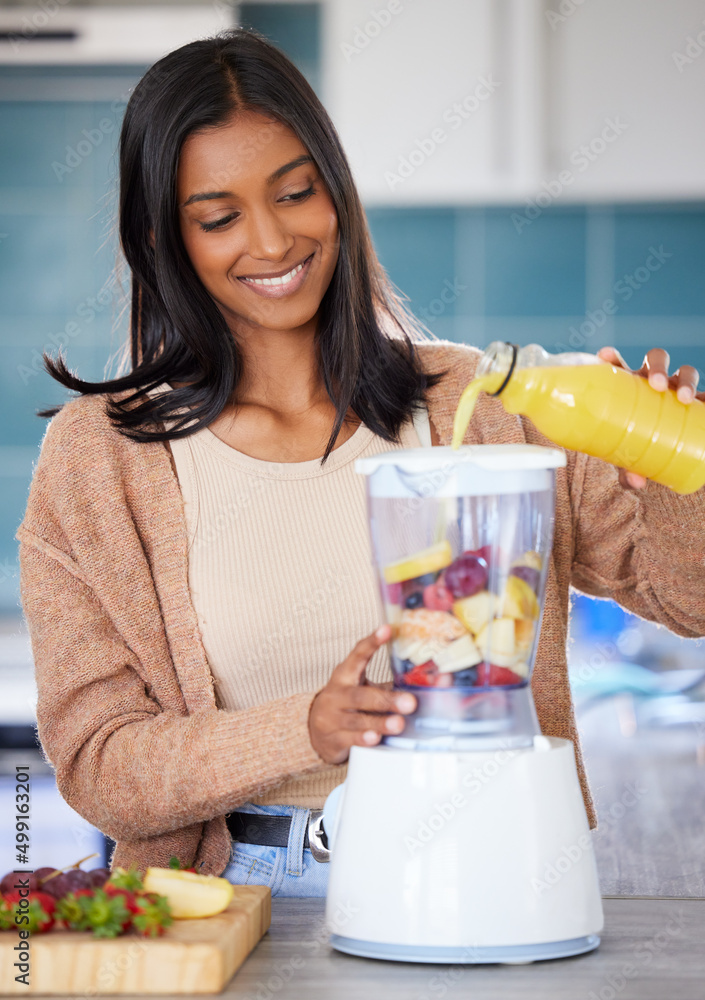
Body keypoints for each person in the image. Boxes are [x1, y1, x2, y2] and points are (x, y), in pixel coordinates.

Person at [16, 28, 705, 898]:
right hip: (244, 897)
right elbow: (100, 765)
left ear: (336, 191)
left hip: (490, 872)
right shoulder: (99, 461)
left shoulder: (482, 405)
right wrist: (306, 729)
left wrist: (682, 473)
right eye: (219, 217)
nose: (270, 242)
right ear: (164, 239)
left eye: (295, 193)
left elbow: (688, 602)